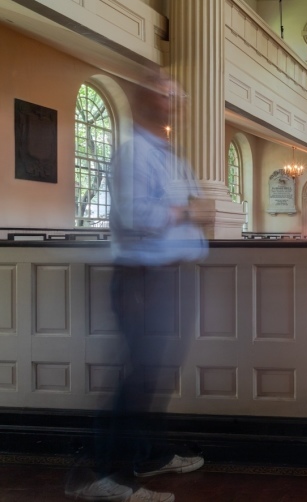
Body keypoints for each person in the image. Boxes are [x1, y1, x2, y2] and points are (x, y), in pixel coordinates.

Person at [65, 74, 206, 502]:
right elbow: (134, 216)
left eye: (177, 94)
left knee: (156, 375)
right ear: (148, 100)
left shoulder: (167, 154)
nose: (176, 100)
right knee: (140, 377)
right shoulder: (133, 154)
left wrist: (184, 209)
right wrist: (178, 209)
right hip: (142, 279)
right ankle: (102, 476)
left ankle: (150, 455)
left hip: (169, 276)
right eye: (167, 93)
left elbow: (194, 203)